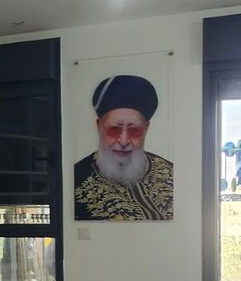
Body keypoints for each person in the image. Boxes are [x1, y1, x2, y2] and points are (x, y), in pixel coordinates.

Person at [74, 75, 173, 220]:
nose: (124, 141)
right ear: (99, 127)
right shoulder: (76, 178)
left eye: (134, 130)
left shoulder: (170, 171)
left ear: (145, 129)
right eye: (114, 129)